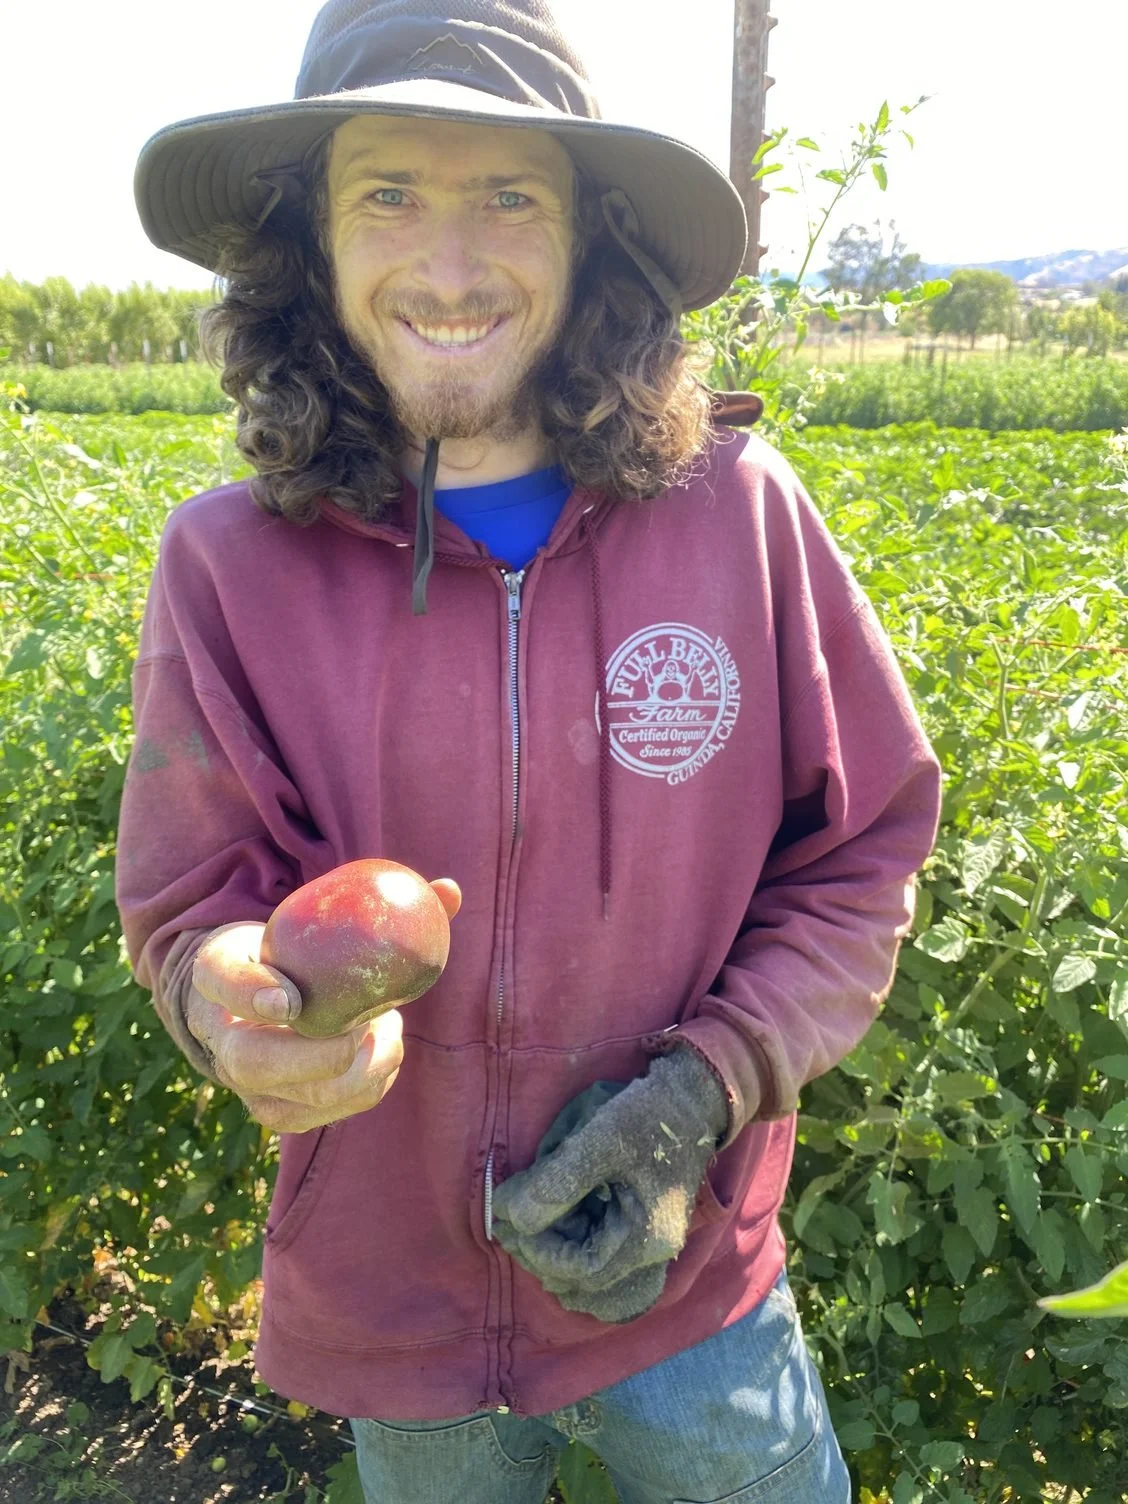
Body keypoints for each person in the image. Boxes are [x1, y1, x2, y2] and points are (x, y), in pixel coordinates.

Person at [116, 2, 942, 1500]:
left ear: (590, 237)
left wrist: (698, 1097)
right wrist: (229, 992)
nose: (450, 267)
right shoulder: (229, 565)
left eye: (510, 195)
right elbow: (191, 897)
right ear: (308, 239)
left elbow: (864, 851)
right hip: (395, 1309)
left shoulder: (739, 517)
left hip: (691, 1296)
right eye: (388, 193)